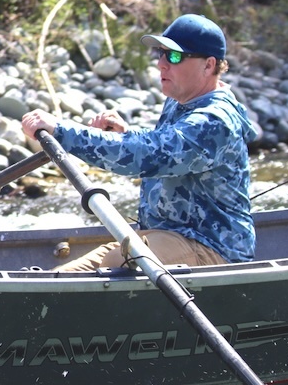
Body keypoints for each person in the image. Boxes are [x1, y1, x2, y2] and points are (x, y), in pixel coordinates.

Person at [20, 14, 258, 272]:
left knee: (117, 262)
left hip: (211, 249)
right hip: (160, 236)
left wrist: (61, 131)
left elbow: (151, 155)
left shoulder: (215, 120)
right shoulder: (181, 100)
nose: (162, 64)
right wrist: (126, 133)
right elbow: (169, 150)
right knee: (64, 276)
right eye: (161, 54)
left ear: (209, 65)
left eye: (175, 56)